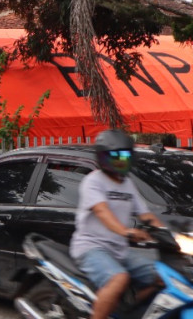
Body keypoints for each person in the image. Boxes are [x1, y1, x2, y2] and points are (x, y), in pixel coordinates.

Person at [69, 130, 164, 319]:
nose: (121, 160)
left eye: (125, 156)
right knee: (118, 279)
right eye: (115, 156)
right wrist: (126, 231)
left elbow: (145, 214)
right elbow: (102, 212)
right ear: (103, 157)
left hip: (119, 249)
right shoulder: (93, 181)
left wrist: (168, 233)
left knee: (164, 278)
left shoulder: (127, 183)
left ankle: (126, 311)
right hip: (91, 247)